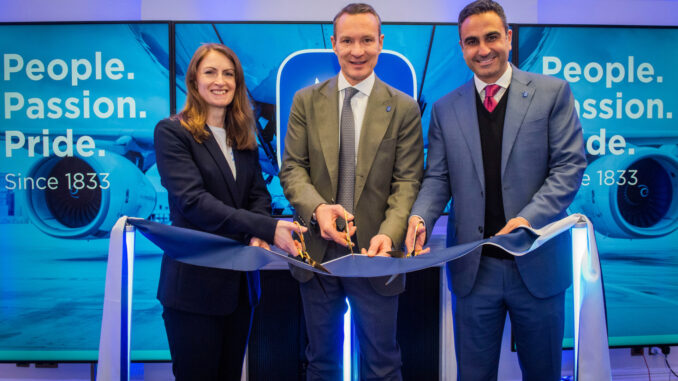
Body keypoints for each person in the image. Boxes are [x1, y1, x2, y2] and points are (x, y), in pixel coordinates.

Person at [405, 1, 587, 380]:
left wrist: (527, 219)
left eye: (491, 37)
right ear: (461, 47)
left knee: (543, 374)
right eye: (472, 41)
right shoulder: (444, 109)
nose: (483, 49)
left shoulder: (552, 93)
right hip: (475, 271)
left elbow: (569, 168)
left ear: (508, 37)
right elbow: (438, 179)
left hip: (537, 264)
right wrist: (421, 216)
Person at [279, 3, 424, 380]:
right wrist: (318, 210)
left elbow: (407, 181)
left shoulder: (405, 108)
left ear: (381, 43)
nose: (356, 50)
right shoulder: (304, 102)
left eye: (366, 40)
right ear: (334, 43)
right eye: (347, 40)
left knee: (382, 364)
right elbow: (293, 168)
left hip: (376, 256)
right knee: (321, 363)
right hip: (317, 257)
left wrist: (388, 236)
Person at [154, 43, 303, 380]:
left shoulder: (242, 137)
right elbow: (194, 203)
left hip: (239, 290)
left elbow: (259, 197)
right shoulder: (172, 132)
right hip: (193, 291)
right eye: (210, 72)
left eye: (228, 73)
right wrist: (267, 229)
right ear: (194, 80)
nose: (220, 81)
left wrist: (256, 232)